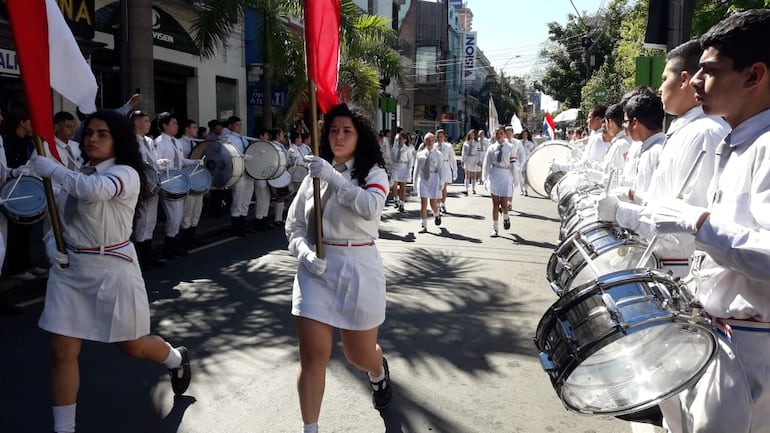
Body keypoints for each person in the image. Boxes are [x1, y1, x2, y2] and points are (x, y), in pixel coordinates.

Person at [637, 11, 770, 433]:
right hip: (720, 334)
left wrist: (695, 221)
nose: (695, 82)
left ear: (755, 76)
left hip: (752, 346)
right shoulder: (739, 142)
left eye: (710, 72)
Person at [28, 110, 191, 433]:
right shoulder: (80, 172)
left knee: (133, 345)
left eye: (103, 134)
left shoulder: (125, 174)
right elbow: (58, 220)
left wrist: (53, 169)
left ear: (118, 140)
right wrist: (51, 245)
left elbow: (94, 191)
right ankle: (64, 428)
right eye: (89, 133)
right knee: (61, 351)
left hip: (112, 269)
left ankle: (175, 358)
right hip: (70, 271)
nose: (92, 138)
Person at [286, 103, 392, 433]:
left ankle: (377, 370)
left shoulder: (373, 173)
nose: (339, 136)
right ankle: (310, 427)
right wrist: (303, 252)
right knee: (313, 356)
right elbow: (295, 226)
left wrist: (332, 176)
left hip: (358, 267)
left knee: (358, 355)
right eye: (333, 130)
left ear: (360, 137)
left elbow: (370, 207)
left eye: (347, 131)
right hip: (315, 272)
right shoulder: (313, 176)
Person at [597, 40, 729, 278]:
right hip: (663, 259)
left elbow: (686, 227)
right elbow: (663, 202)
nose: (660, 88)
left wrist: (622, 213)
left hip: (680, 269)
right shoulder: (686, 129)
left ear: (684, 80)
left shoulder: (706, 133)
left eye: (665, 78)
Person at [153, 112, 201, 258]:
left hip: (179, 182)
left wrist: (195, 162)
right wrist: (162, 166)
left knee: (178, 216)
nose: (177, 126)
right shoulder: (159, 142)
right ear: (164, 125)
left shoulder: (176, 142)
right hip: (168, 182)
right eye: (173, 123)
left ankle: (173, 246)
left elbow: (181, 162)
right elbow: (155, 162)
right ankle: (168, 248)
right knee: (173, 216)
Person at [130, 110, 166, 270]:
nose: (148, 123)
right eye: (145, 120)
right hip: (142, 185)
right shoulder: (131, 142)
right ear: (136, 123)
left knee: (151, 220)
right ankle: (141, 257)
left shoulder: (149, 141)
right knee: (142, 221)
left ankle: (149, 254)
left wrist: (160, 163)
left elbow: (152, 160)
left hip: (154, 184)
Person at [222, 116, 259, 235]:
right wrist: (243, 156)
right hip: (237, 172)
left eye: (240, 124)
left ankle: (243, 224)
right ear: (230, 126)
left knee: (246, 199)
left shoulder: (243, 138)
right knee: (238, 199)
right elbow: (229, 152)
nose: (240, 126)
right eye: (237, 124)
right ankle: (236, 228)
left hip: (248, 171)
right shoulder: (228, 138)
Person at [481, 127, 516, 237]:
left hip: (505, 175)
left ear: (505, 135)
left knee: (504, 204)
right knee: (495, 203)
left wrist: (515, 179)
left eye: (501, 133)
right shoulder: (491, 148)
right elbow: (486, 164)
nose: (499, 135)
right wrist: (485, 178)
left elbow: (513, 164)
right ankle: (495, 228)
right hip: (494, 174)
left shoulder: (510, 147)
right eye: (497, 133)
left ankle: (506, 216)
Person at [177, 119, 205, 249]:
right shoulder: (180, 143)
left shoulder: (195, 142)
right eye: (194, 127)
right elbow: (180, 161)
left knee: (197, 211)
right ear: (187, 129)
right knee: (187, 211)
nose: (196, 130)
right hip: (187, 180)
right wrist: (194, 162)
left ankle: (192, 237)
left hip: (198, 180)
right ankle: (184, 241)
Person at [412, 132, 444, 233]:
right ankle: (424, 225)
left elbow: (440, 169)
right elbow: (416, 169)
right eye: (428, 141)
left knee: (433, 202)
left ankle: (436, 214)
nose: (430, 143)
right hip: (423, 178)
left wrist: (441, 182)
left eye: (432, 140)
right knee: (423, 202)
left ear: (434, 141)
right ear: (425, 142)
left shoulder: (438, 154)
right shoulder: (420, 154)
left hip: (434, 178)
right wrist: (414, 181)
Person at [390, 131, 414, 212]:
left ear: (405, 140)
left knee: (403, 187)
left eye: (401, 139)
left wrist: (409, 170)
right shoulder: (394, 149)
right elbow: (391, 159)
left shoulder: (407, 149)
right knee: (394, 185)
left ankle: (402, 203)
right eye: (398, 139)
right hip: (395, 166)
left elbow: (410, 160)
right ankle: (395, 198)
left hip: (404, 167)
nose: (399, 140)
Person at [435, 129, 456, 214]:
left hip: (445, 165)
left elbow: (452, 158)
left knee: (443, 187)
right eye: (438, 137)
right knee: (437, 187)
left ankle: (443, 204)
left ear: (444, 137)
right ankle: (438, 204)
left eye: (441, 137)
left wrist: (454, 170)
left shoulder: (448, 146)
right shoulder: (434, 146)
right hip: (436, 167)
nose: (439, 138)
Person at [461, 130, 482, 195]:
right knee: (467, 174)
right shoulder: (466, 143)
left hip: (475, 158)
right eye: (470, 134)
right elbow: (463, 152)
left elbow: (479, 152)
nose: (471, 136)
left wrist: (480, 160)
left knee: (473, 175)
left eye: (473, 134)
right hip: (468, 158)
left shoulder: (477, 143)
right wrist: (462, 160)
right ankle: (466, 189)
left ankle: (473, 189)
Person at [518, 129, 536, 196]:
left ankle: (525, 189)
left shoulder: (530, 143)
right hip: (520, 160)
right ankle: (521, 189)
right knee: (521, 176)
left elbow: (532, 152)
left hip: (527, 160)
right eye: (523, 134)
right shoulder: (518, 142)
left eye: (526, 134)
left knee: (526, 176)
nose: (524, 136)